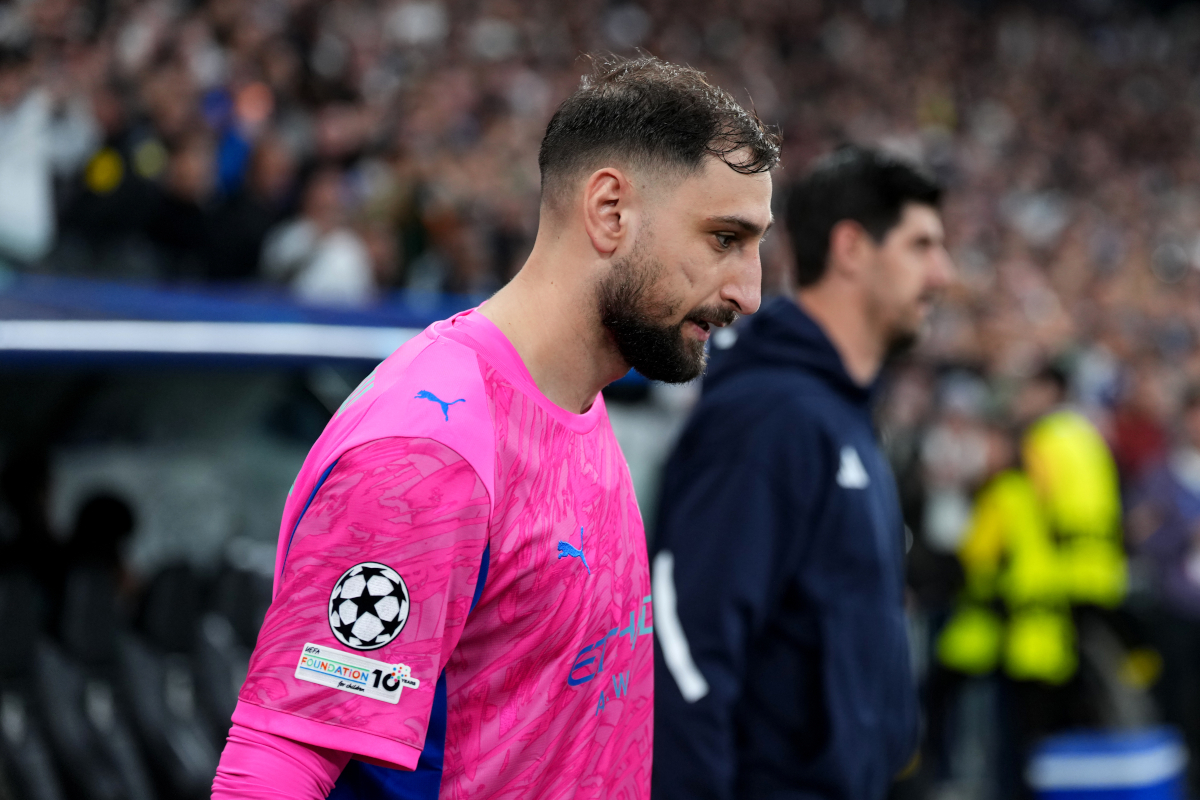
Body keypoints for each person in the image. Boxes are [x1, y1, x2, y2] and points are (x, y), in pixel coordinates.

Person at [212, 54, 778, 800]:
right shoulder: (430, 450)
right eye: (724, 239)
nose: (750, 290)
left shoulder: (579, 400)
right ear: (610, 211)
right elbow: (275, 768)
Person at [651, 145, 953, 800]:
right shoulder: (768, 418)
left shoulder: (840, 416)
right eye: (922, 246)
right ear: (851, 248)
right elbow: (686, 645)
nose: (943, 275)